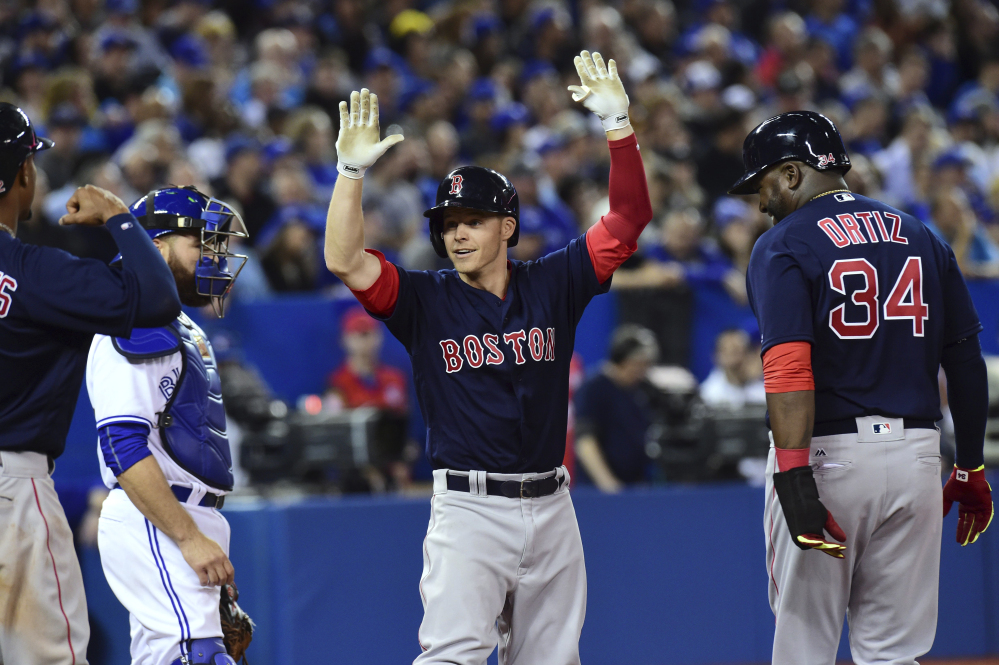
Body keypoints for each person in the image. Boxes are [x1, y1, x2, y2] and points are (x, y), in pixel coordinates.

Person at [324, 50, 652, 664]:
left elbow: (629, 219)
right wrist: (349, 172)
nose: (457, 234)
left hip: (553, 505)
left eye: (473, 220)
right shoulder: (424, 299)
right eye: (448, 224)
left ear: (508, 226)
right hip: (470, 509)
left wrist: (619, 130)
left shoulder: (554, 282)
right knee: (451, 657)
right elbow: (345, 259)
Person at [731, 110, 994, 664]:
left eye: (765, 183)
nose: (761, 200)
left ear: (795, 173)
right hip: (917, 459)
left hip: (828, 459)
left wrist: (795, 474)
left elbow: (787, 364)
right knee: (894, 654)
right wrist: (970, 465)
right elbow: (966, 359)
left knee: (804, 649)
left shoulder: (782, 243)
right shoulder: (922, 235)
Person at [0, 102, 181, 665]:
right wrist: (118, 217)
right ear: (22, 174)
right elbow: (156, 300)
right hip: (11, 490)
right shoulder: (33, 271)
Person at [85, 186, 248, 665]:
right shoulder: (132, 321)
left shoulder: (173, 321)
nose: (214, 258)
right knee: (198, 656)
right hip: (158, 517)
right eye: (200, 244)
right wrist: (188, 537)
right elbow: (121, 444)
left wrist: (201, 533)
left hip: (183, 515)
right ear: (155, 247)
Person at [574, 325, 659, 493]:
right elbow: (585, 443)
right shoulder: (593, 389)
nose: (643, 371)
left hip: (634, 489)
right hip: (599, 492)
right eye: (639, 365)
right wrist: (610, 486)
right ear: (622, 360)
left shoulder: (640, 390)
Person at [326, 306, 408, 413]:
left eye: (368, 333)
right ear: (345, 339)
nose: (364, 341)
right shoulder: (338, 382)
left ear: (379, 337)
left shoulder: (394, 379)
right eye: (358, 334)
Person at [700, 328, 766, 408]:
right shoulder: (708, 395)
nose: (736, 359)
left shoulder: (761, 392)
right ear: (717, 355)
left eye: (739, 351)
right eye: (730, 352)